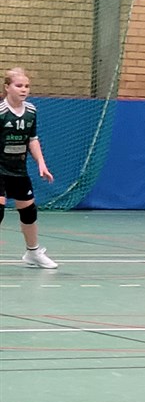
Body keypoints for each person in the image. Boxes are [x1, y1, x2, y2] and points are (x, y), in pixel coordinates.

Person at [0, 67, 57, 269]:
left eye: (26, 86)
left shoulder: (31, 111)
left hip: (18, 169)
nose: (24, 89)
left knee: (28, 211)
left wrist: (41, 163)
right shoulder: (1, 111)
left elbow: (32, 139)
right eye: (19, 85)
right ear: (7, 87)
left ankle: (33, 253)